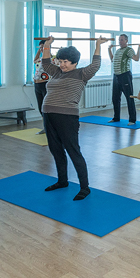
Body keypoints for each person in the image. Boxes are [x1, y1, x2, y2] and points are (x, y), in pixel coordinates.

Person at [38, 37, 106, 200]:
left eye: (66, 62)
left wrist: (97, 45)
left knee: (73, 151)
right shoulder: (56, 72)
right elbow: (46, 63)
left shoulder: (81, 74)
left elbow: (95, 65)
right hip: (48, 115)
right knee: (55, 150)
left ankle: (85, 187)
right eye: (60, 61)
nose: (62, 65)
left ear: (74, 62)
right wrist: (47, 46)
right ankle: (62, 181)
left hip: (67, 117)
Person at [108, 34, 140, 124]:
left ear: (126, 41)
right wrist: (109, 50)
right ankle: (116, 118)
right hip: (116, 76)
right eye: (119, 40)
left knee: (129, 98)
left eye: (122, 40)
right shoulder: (118, 51)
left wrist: (139, 48)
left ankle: (132, 119)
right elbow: (112, 60)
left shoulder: (129, 50)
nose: (120, 42)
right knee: (115, 98)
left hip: (125, 76)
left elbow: (136, 58)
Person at [32, 40, 50, 134]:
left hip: (45, 84)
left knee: (46, 108)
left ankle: (49, 128)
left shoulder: (49, 58)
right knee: (40, 108)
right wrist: (39, 50)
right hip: (37, 85)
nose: (42, 49)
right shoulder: (40, 58)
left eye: (43, 47)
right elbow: (35, 61)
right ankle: (45, 127)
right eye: (40, 47)